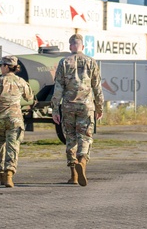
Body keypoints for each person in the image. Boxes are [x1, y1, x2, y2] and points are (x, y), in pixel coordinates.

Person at [50, 33, 104, 187]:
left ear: (70, 46)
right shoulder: (91, 62)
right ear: (83, 46)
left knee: (71, 138)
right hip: (86, 106)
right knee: (85, 137)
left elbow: (58, 87)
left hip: (68, 106)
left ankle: (73, 174)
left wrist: (55, 109)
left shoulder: (64, 62)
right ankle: (82, 161)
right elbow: (97, 87)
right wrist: (99, 107)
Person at [0, 55, 34, 188]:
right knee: (13, 146)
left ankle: (1, 171)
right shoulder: (21, 81)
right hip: (15, 119)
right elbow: (29, 96)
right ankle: (9, 174)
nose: (0, 68)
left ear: (6, 66)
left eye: (1, 65)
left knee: (0, 146)